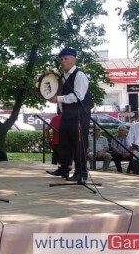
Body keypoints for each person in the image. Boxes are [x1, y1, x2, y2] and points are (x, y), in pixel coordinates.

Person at [46, 47, 94, 182]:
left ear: (74, 60)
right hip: (66, 114)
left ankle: (81, 173)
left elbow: (78, 96)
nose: (62, 62)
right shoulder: (62, 77)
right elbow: (58, 93)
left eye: (65, 59)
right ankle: (64, 169)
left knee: (79, 144)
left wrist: (59, 99)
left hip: (79, 115)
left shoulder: (80, 75)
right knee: (65, 143)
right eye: (61, 59)